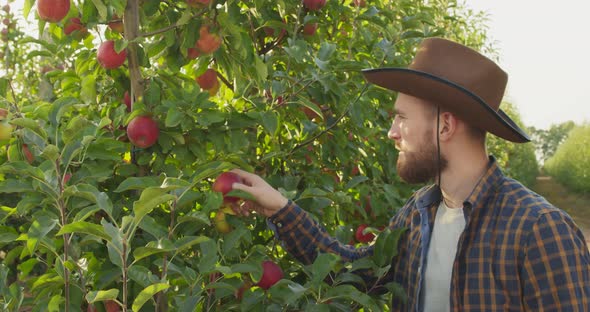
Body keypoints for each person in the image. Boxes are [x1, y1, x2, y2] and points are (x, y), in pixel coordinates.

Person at [228, 38, 590, 311]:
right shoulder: (420, 214)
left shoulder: (539, 230)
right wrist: (277, 207)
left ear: (445, 126)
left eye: (401, 117)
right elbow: (354, 274)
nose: (392, 132)